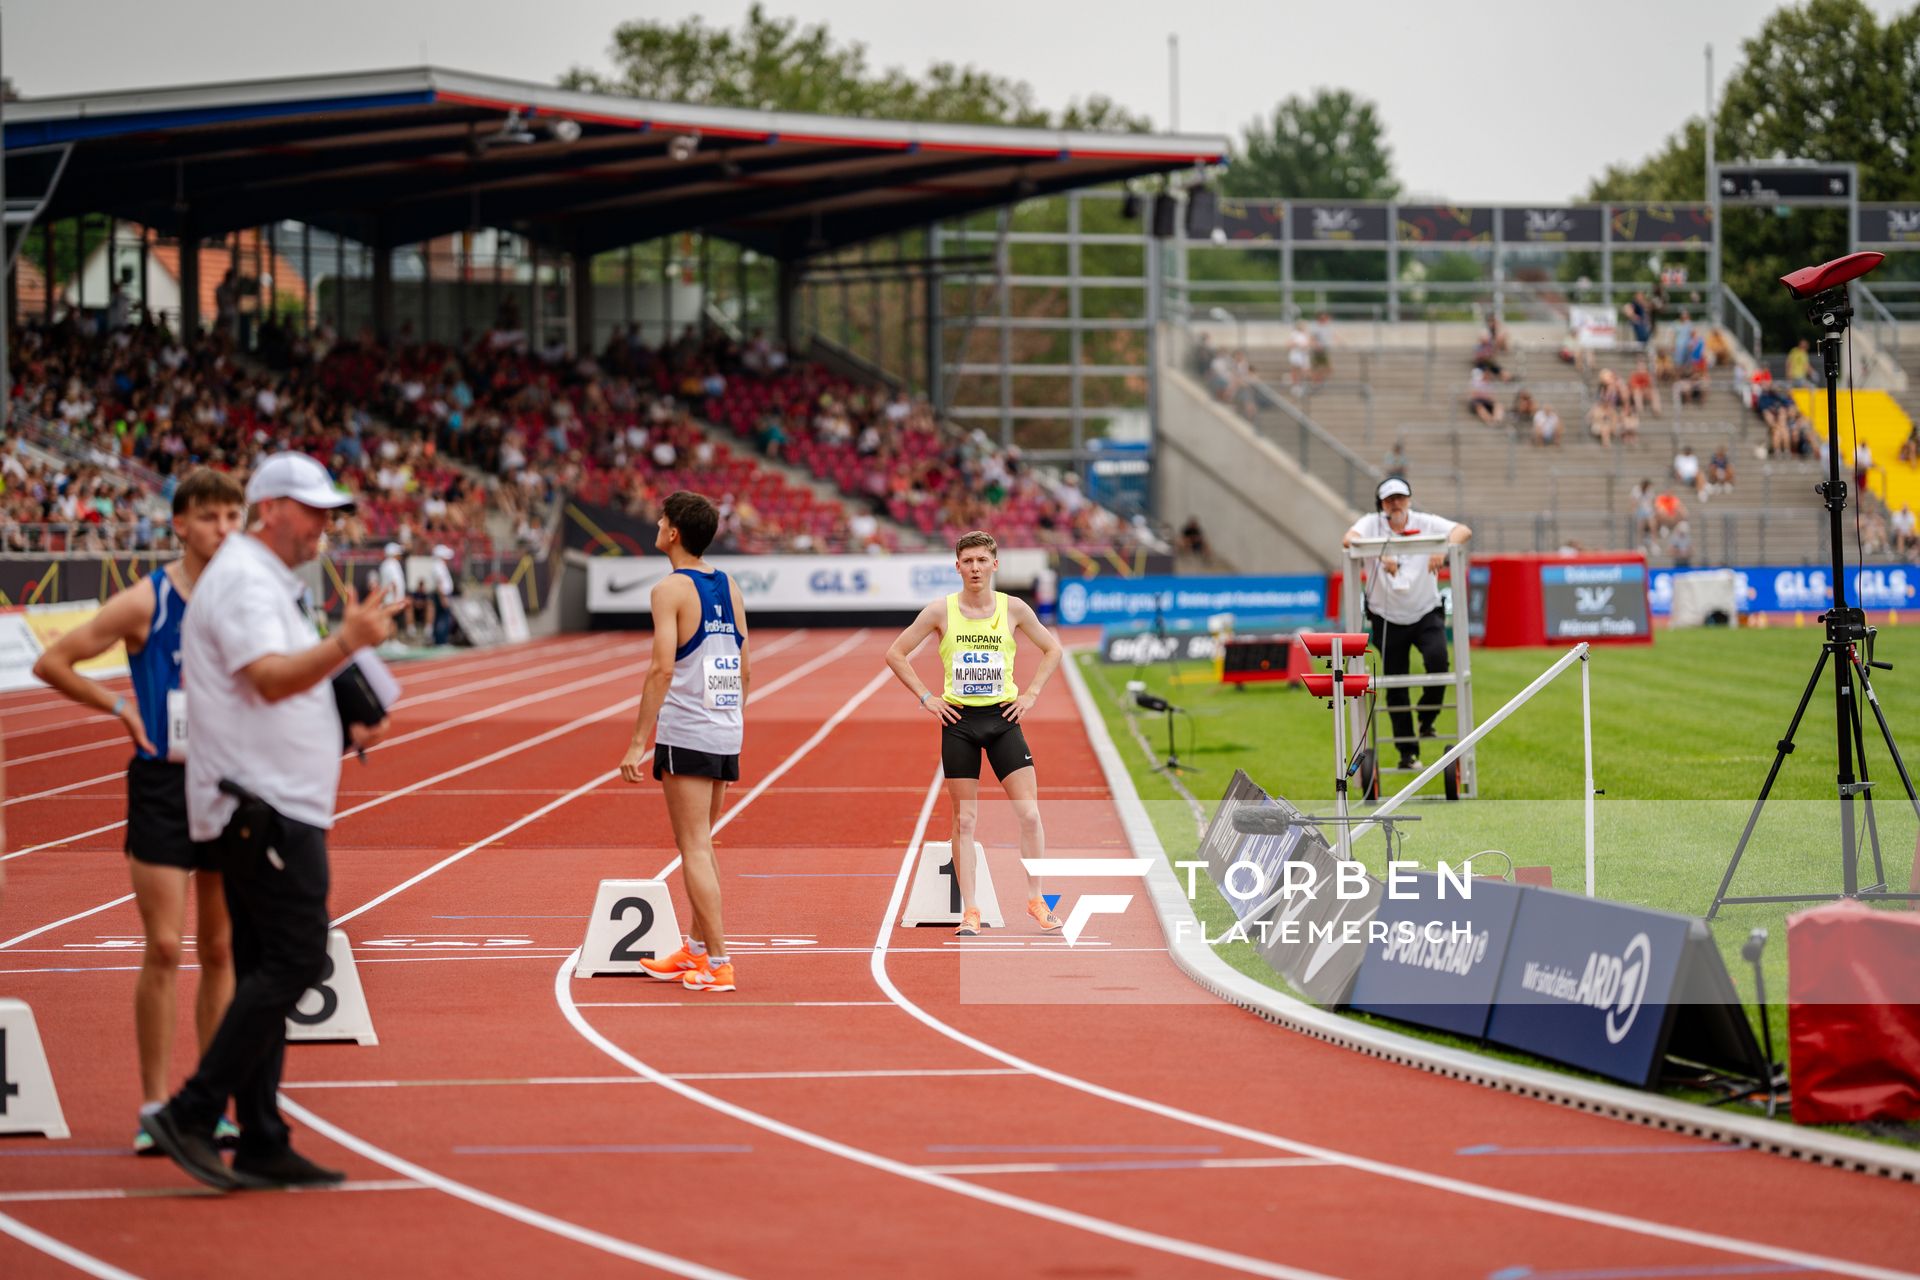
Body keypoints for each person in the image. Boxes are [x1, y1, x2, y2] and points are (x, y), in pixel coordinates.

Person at [141, 452, 402, 1192]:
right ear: (272, 510)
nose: (325, 525)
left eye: (328, 512)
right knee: (295, 957)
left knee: (265, 965)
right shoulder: (248, 581)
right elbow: (269, 677)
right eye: (313, 510)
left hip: (274, 800)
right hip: (264, 806)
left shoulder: (267, 584)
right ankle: (194, 1110)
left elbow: (284, 684)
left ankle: (260, 1135)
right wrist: (348, 642)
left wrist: (345, 713)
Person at [32, 468, 245, 1154]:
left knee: (218, 949)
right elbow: (55, 661)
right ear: (179, 524)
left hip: (228, 786)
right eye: (211, 517)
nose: (224, 529)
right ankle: (156, 1105)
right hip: (161, 786)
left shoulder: (248, 602)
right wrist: (120, 708)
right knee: (162, 946)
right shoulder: (145, 602)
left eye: (234, 516)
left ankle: (208, 1104)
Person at [884, 530, 1065, 937]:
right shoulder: (940, 611)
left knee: (1030, 814)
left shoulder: (1014, 608)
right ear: (958, 567)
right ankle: (971, 910)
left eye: (982, 560)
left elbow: (1052, 649)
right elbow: (895, 653)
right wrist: (926, 697)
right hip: (959, 725)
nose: (975, 568)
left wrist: (1032, 693)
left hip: (1003, 721)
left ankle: (1036, 900)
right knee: (964, 820)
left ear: (995, 564)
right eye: (968, 562)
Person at [618, 492, 751, 994]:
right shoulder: (729, 585)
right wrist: (733, 719)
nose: (656, 523)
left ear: (673, 532)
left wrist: (637, 742)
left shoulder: (669, 589)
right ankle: (695, 950)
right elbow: (743, 660)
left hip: (688, 729)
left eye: (661, 519)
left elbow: (661, 668)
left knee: (692, 845)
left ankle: (719, 961)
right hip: (723, 726)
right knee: (703, 844)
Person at [1343, 479, 1472, 772]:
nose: (1396, 505)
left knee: (1438, 662)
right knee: (1395, 683)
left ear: (1410, 501)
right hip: (1386, 616)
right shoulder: (1371, 524)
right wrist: (1379, 553)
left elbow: (1463, 531)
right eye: (1390, 501)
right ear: (1381, 506)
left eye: (1401, 498)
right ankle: (1407, 753)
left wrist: (1444, 548)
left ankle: (1427, 719)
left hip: (1426, 610)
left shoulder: (1425, 522)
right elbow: (1348, 539)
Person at [429, 545, 456, 646]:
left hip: (442, 594)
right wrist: (443, 597)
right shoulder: (438, 566)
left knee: (440, 617)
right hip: (442, 594)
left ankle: (439, 640)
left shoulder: (439, 565)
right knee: (443, 618)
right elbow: (439, 582)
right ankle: (441, 640)